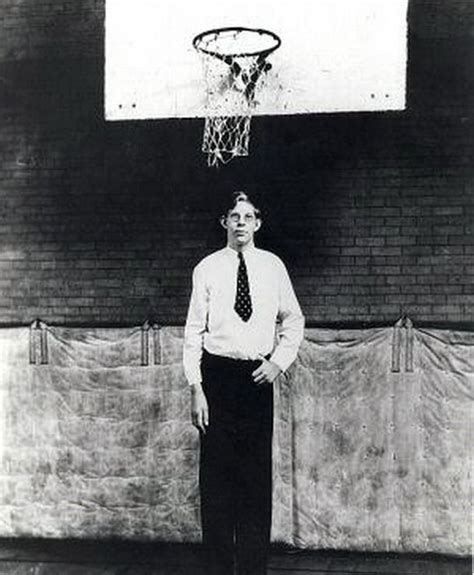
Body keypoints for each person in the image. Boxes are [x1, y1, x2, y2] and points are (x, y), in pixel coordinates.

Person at [183, 191, 304, 575]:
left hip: (255, 380)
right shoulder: (206, 269)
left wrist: (278, 363)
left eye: (247, 216)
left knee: (254, 482)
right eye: (233, 216)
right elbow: (192, 333)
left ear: (258, 223)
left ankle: (253, 570)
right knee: (217, 483)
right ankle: (218, 569)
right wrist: (196, 387)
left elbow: (294, 320)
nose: (240, 222)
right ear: (224, 222)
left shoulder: (272, 267)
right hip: (217, 380)